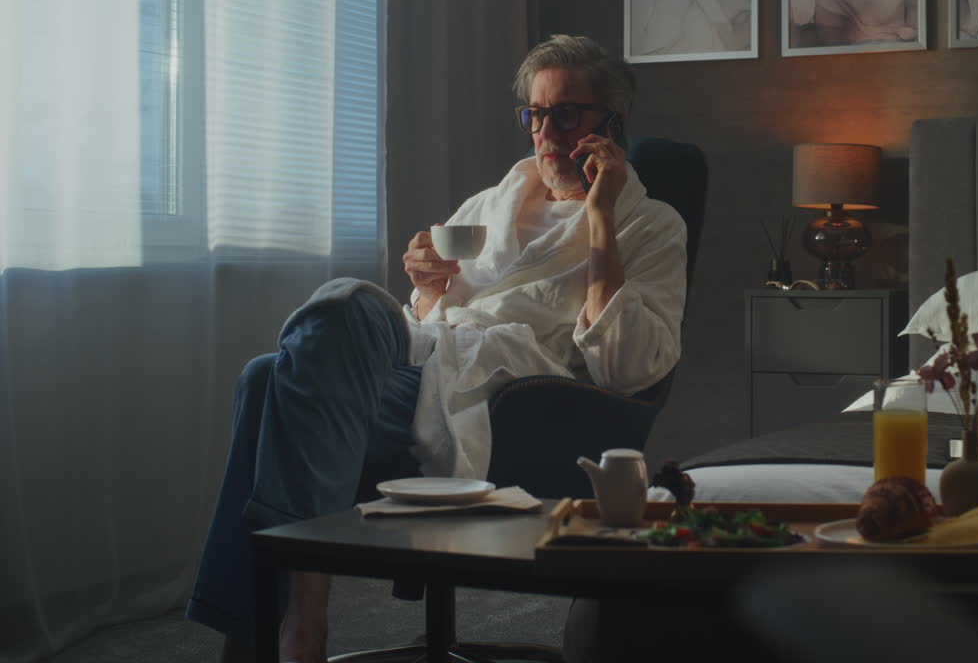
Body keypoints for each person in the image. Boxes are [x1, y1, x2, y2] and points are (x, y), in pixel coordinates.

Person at [185, 34, 688, 663]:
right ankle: (290, 627)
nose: (546, 133)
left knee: (273, 375)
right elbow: (434, 321)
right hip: (434, 360)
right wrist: (426, 290)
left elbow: (629, 367)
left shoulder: (651, 225)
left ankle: (285, 627)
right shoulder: (489, 205)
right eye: (536, 115)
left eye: (566, 114)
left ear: (611, 122)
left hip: (518, 401)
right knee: (303, 347)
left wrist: (601, 218)